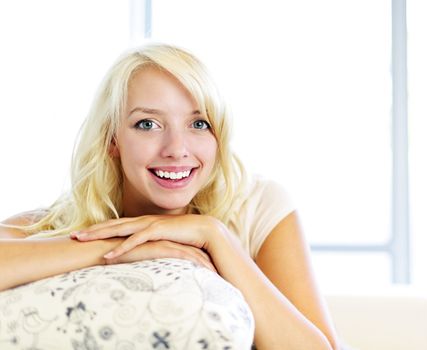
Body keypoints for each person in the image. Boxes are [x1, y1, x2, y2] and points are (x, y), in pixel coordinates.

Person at [0, 43, 340, 349]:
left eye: (199, 124)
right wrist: (120, 246)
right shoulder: (64, 221)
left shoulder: (257, 206)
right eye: (148, 124)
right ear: (111, 140)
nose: (176, 150)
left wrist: (215, 235)